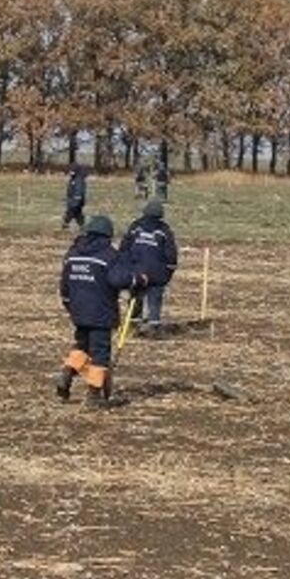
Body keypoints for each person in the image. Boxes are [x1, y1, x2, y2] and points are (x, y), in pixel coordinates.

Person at [56, 215, 148, 407]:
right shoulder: (108, 255)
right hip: (101, 313)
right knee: (100, 354)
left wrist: (69, 305)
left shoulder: (72, 254)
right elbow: (118, 279)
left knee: (82, 345)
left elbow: (64, 285)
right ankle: (94, 395)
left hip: (78, 311)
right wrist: (137, 280)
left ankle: (67, 372)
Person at [120, 198, 178, 330]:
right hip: (157, 273)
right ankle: (154, 324)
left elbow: (125, 247)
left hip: (136, 271)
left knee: (135, 296)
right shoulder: (164, 230)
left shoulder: (135, 227)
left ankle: (133, 322)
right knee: (155, 299)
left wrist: (126, 266)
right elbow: (170, 254)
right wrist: (168, 271)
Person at [62, 163, 88, 230]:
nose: (70, 172)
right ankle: (82, 226)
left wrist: (77, 198)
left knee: (71, 212)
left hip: (76, 200)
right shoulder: (73, 179)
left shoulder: (78, 180)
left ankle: (65, 224)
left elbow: (79, 189)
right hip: (74, 200)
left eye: (71, 171)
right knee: (77, 214)